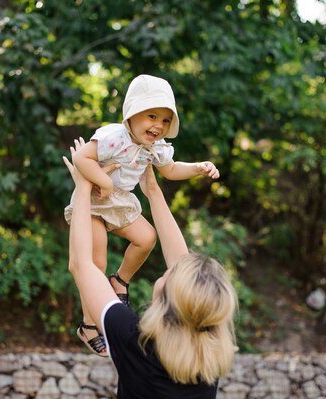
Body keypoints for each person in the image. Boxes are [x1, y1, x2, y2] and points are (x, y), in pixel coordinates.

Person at [63, 139, 238, 399]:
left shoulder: (135, 341)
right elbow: (184, 274)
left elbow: (82, 265)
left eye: (173, 273)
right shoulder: (211, 348)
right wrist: (152, 191)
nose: (175, 265)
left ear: (167, 300)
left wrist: (84, 186)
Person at [64, 74, 220, 355]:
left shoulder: (155, 148)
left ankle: (120, 280)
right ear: (132, 114)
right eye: (151, 116)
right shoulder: (112, 137)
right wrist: (104, 182)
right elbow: (81, 158)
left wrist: (197, 167)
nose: (158, 126)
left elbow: (170, 170)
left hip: (121, 202)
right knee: (95, 261)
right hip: (95, 202)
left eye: (165, 121)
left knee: (147, 238)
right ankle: (88, 325)